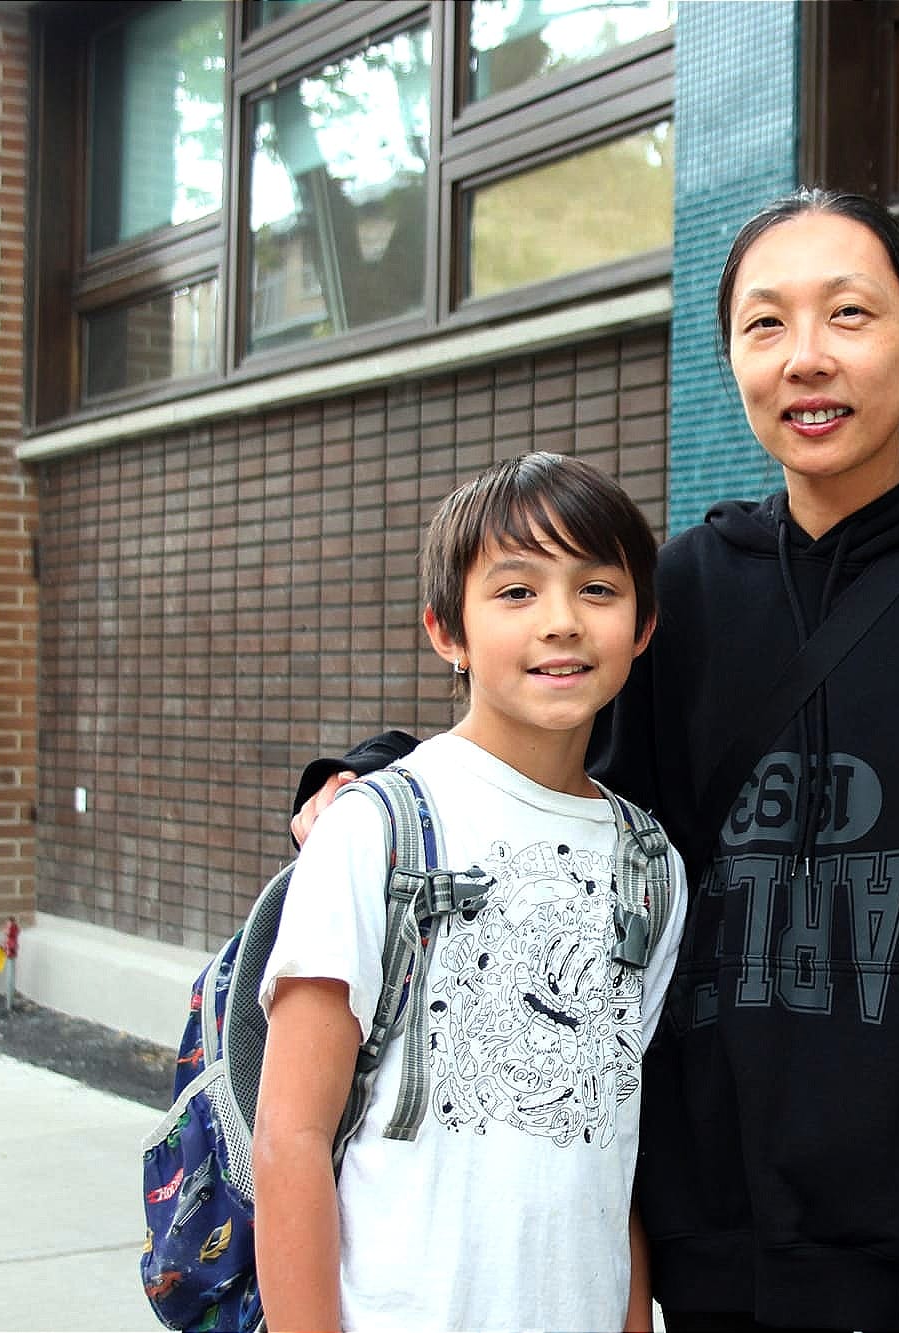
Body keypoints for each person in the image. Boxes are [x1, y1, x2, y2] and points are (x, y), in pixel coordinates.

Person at [292, 188, 899, 1331]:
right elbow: (551, 767)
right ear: (732, 361)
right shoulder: (691, 594)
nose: (805, 358)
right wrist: (378, 769)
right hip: (721, 1262)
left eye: (849, 315)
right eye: (765, 325)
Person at [253, 451, 686, 1332]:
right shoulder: (376, 830)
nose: (560, 622)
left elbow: (611, 1147)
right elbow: (289, 1138)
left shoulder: (652, 864)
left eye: (597, 589)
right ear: (446, 630)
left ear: (643, 625)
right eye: (517, 591)